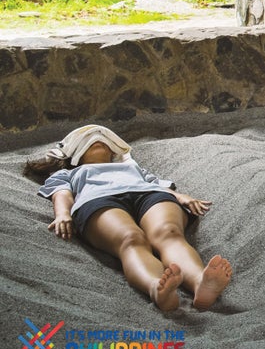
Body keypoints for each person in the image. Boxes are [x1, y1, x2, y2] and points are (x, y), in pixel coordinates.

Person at [24, 124, 232, 312]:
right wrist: (62, 214)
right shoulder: (70, 173)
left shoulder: (133, 167)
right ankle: (156, 288)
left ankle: (200, 283)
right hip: (98, 199)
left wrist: (181, 197)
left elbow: (157, 184)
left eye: (104, 141)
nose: (98, 141)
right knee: (131, 238)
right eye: (89, 141)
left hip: (147, 193)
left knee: (169, 233)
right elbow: (62, 193)